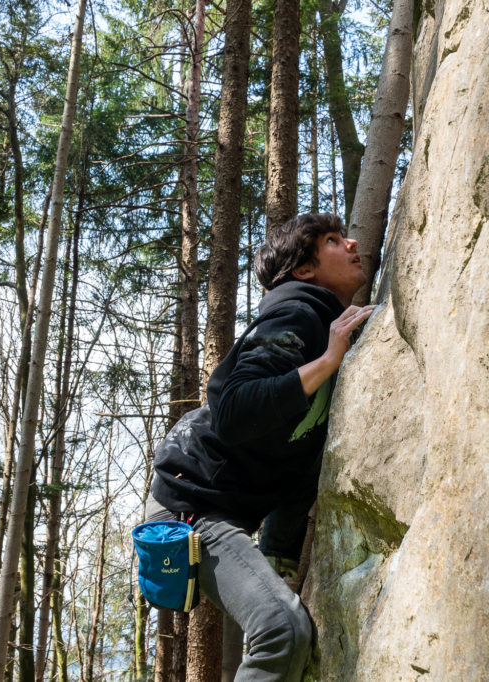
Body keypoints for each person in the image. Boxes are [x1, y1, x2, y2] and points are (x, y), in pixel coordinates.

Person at [145, 213, 375, 681]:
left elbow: (301, 459)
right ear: (304, 270)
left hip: (224, 507)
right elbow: (233, 409)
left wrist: (280, 558)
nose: (352, 243)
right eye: (333, 240)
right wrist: (330, 359)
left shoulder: (324, 323)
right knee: (281, 629)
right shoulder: (298, 313)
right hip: (189, 508)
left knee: (287, 627)